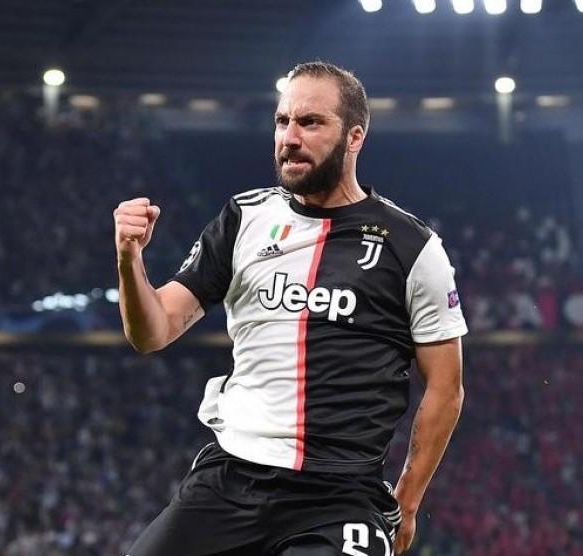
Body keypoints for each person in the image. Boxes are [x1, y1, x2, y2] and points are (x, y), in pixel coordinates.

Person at [114, 61, 467, 556]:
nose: (290, 137)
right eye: (282, 121)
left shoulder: (411, 247)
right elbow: (152, 332)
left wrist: (406, 502)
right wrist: (130, 260)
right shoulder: (243, 219)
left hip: (340, 496)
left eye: (311, 122)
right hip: (231, 480)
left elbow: (446, 388)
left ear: (354, 137)